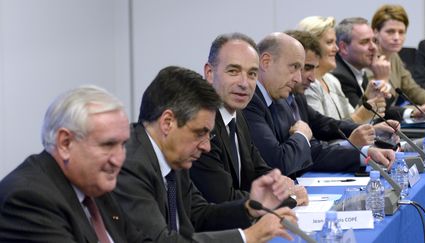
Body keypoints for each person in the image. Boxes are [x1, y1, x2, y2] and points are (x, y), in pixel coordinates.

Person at [113, 66, 297, 243]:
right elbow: (160, 240)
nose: (207, 147)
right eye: (200, 133)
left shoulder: (174, 156)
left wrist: (250, 208)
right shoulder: (129, 164)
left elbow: (198, 215)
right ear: (167, 122)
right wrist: (248, 237)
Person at [0, 85, 152, 242]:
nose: (119, 159)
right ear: (65, 143)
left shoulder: (95, 187)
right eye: (108, 145)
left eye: (123, 145)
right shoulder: (29, 198)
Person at [243, 32, 395, 176]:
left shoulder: (279, 98)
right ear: (266, 62)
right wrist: (302, 135)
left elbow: (313, 150)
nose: (298, 78)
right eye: (294, 67)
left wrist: (365, 154)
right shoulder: (250, 102)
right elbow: (278, 163)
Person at [189, 33, 308, 206]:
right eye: (233, 71)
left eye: (252, 74)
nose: (245, 83)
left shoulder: (238, 114)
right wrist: (287, 199)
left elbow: (257, 168)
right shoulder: (201, 126)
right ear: (209, 73)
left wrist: (281, 183)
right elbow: (223, 198)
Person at [287, 30, 395, 148]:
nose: (336, 48)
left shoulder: (329, 82)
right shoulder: (299, 91)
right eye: (329, 42)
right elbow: (313, 146)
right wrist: (351, 142)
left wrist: (371, 130)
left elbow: (326, 125)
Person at [297, 16, 386, 123]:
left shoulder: (332, 80)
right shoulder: (307, 85)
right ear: (311, 47)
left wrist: (367, 98)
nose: (337, 48)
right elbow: (323, 134)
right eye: (330, 42)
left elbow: (351, 118)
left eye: (335, 42)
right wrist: (361, 116)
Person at [332, 17, 400, 119]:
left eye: (374, 41)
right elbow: (365, 116)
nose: (373, 47)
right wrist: (382, 81)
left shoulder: (359, 70)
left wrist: (411, 112)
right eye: (364, 42)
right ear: (344, 48)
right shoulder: (340, 76)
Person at [372, 4, 425, 118]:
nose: (396, 37)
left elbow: (413, 89)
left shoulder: (393, 56)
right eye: (390, 31)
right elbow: (376, 105)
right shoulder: (368, 59)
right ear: (375, 31)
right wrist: (414, 110)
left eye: (401, 32)